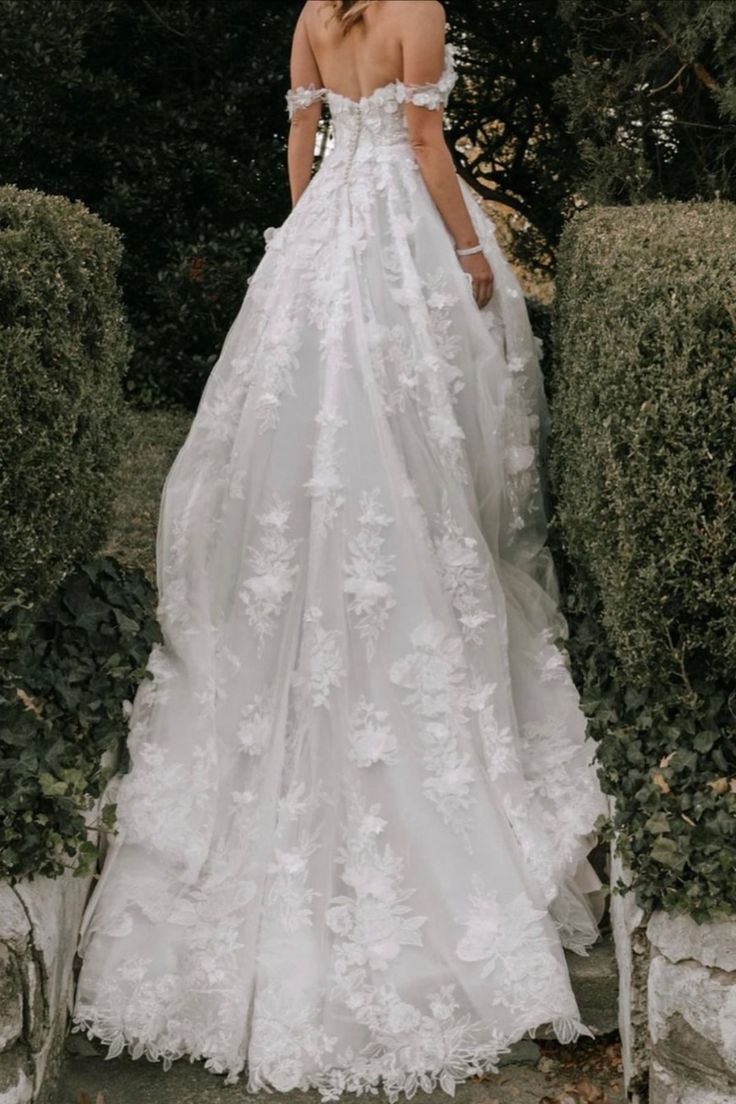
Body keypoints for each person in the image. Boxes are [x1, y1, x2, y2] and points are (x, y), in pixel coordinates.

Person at [71, 2, 609, 1100]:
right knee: (422, 441)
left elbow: (300, 136)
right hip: (405, 229)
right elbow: (423, 142)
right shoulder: (417, 7)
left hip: (324, 235)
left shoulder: (318, 12)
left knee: (299, 442)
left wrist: (310, 237)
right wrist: (466, 250)